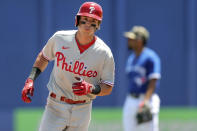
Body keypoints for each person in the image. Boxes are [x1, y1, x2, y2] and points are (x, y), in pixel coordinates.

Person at [21, 2, 115, 131]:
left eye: (93, 20)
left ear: (98, 24)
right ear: (77, 20)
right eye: (85, 19)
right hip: (55, 105)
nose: (88, 23)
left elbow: (108, 86)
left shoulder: (104, 53)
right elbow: (44, 57)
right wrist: (30, 79)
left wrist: (92, 88)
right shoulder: (60, 38)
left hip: (83, 109)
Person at [122, 26, 161, 131]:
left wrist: (146, 101)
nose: (129, 41)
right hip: (131, 99)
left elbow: (153, 80)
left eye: (131, 39)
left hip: (146, 99)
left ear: (139, 41)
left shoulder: (151, 57)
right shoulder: (131, 58)